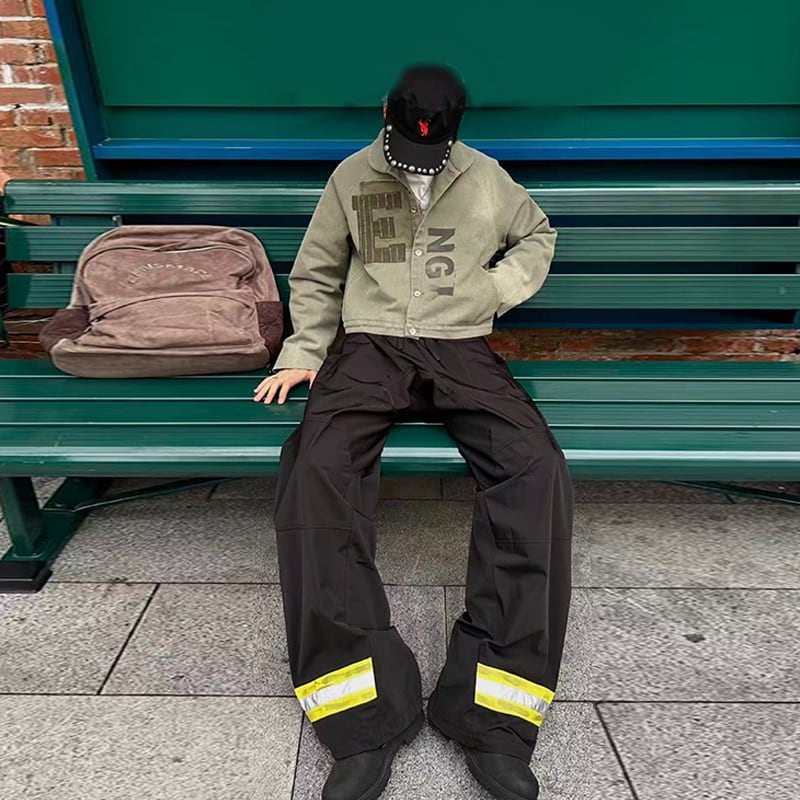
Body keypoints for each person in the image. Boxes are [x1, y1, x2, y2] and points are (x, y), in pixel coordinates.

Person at [253, 62, 574, 800]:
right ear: (386, 114)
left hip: (461, 346)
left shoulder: (486, 176)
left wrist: (492, 291)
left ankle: (493, 716)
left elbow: (537, 234)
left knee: (536, 469)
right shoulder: (352, 175)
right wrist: (304, 352)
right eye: (407, 142)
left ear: (456, 130)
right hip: (369, 345)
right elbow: (318, 270)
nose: (418, 157)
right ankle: (362, 719)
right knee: (315, 472)